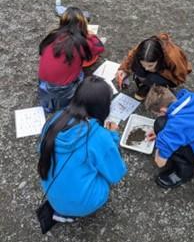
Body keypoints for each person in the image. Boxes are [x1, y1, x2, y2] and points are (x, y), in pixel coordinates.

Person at [37, 76, 127, 227]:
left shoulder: (56, 119)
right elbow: (116, 174)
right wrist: (112, 136)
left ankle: (64, 209)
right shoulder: (99, 136)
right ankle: (76, 210)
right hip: (83, 203)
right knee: (104, 173)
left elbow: (40, 149)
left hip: (52, 194)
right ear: (103, 107)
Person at [38, 7, 105, 113]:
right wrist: (89, 34)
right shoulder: (81, 43)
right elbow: (100, 47)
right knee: (81, 75)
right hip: (62, 88)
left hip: (43, 81)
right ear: (83, 25)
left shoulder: (52, 35)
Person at [116, 33, 192, 101]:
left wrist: (161, 71)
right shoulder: (143, 48)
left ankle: (151, 86)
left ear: (159, 58)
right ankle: (146, 83)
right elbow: (131, 57)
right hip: (157, 68)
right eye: (143, 64)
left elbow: (180, 78)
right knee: (136, 65)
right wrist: (123, 70)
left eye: (150, 65)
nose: (146, 68)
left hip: (165, 74)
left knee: (152, 77)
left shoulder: (173, 57)